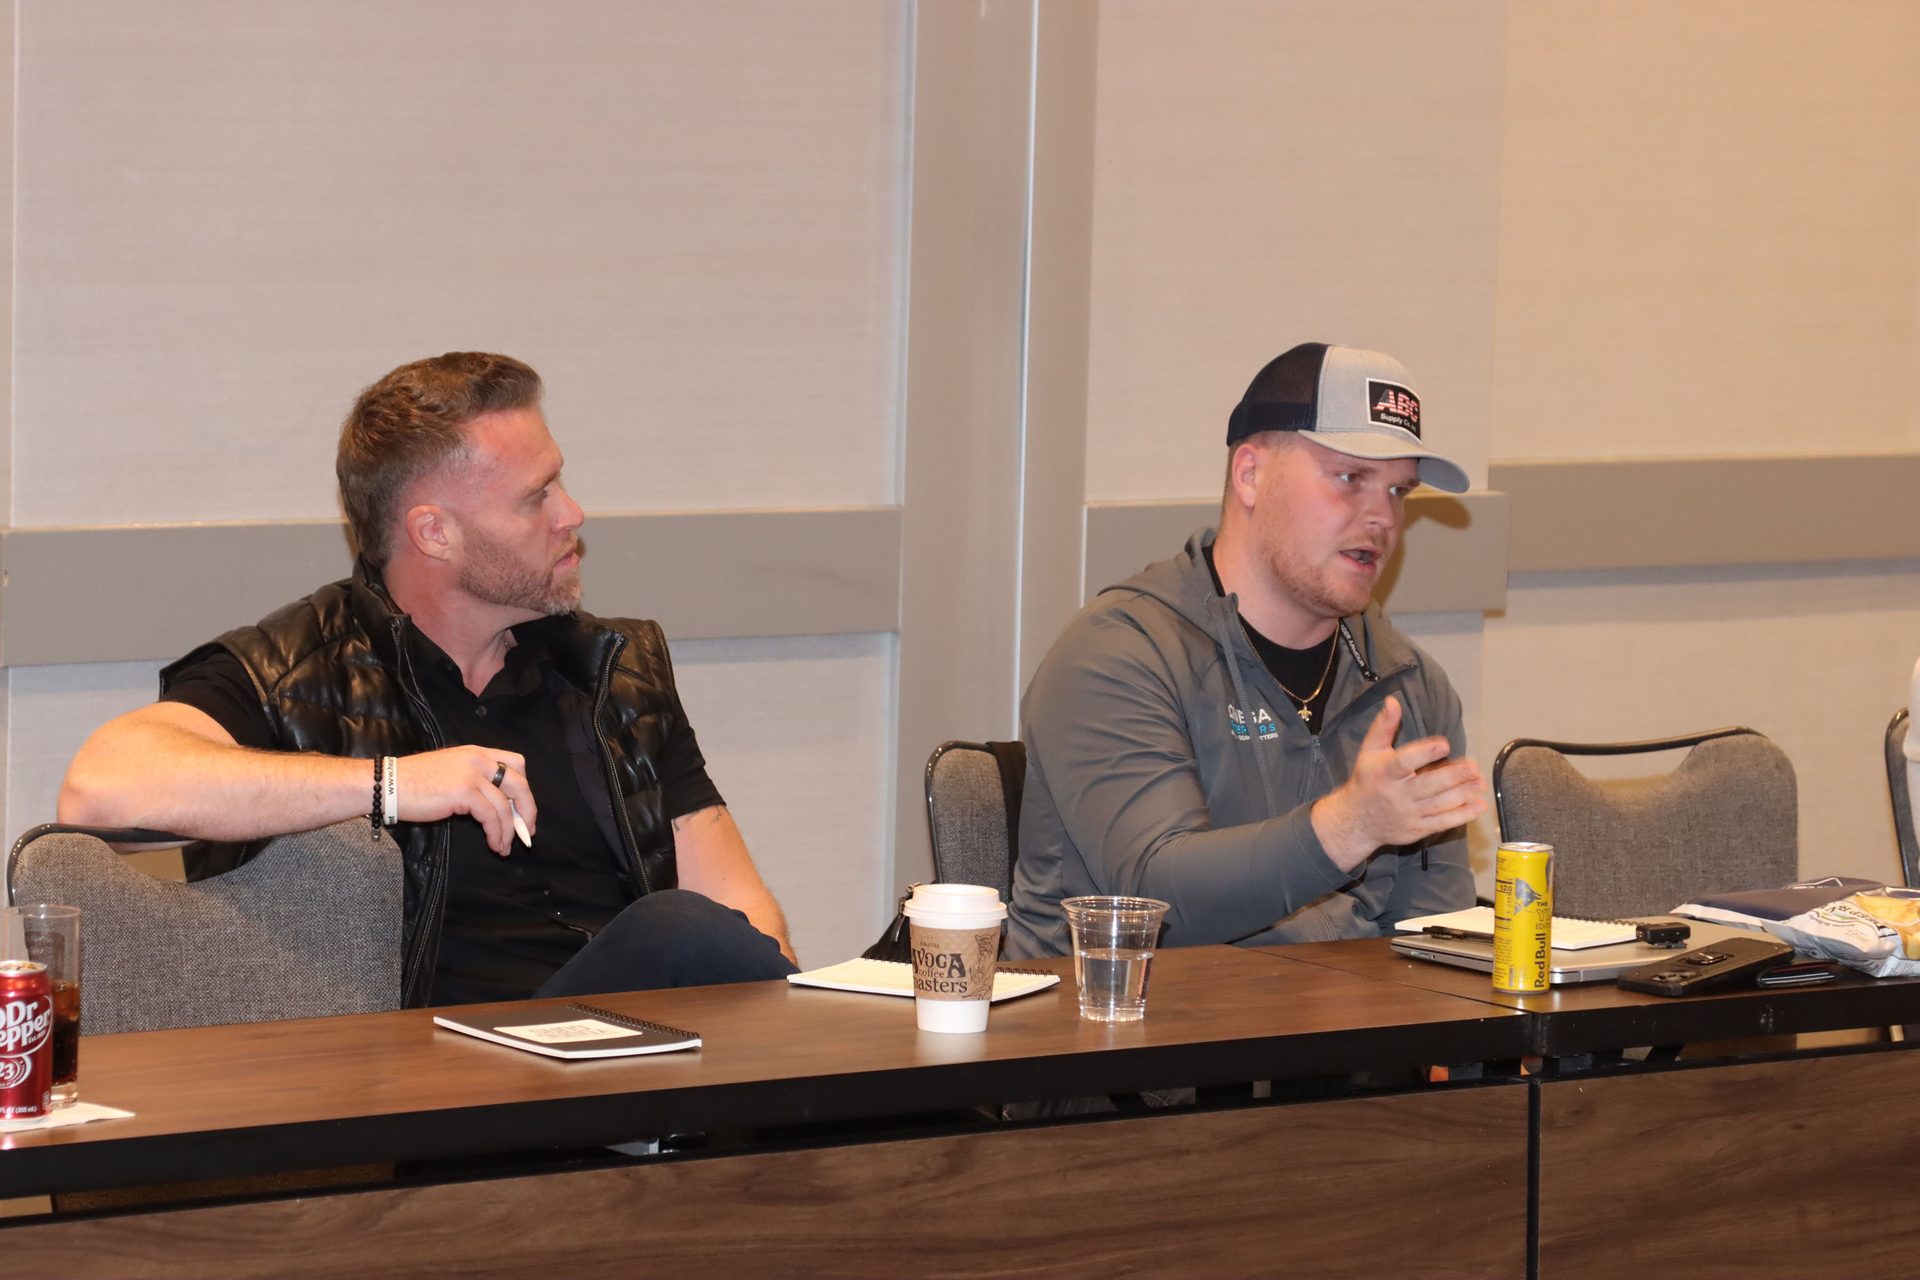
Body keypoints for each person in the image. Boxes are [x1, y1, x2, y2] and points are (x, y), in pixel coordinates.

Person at [59, 352, 797, 1006]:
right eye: (536, 496)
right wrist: (391, 787)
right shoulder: (295, 672)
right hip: (438, 1093)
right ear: (434, 532)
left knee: (700, 936)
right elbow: (99, 787)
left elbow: (736, 905)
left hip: (638, 1067)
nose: (572, 513)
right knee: (674, 931)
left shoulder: (614, 672)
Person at [1006, 342, 1486, 958]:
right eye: (1351, 478)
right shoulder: (1117, 657)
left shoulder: (1408, 686)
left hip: (1337, 1043)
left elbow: (1430, 942)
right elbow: (1155, 902)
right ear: (1251, 474)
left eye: (1399, 492)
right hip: (1123, 1037)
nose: (1382, 519)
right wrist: (1353, 825)